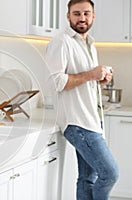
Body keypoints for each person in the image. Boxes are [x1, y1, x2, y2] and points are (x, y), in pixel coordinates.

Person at [45, 0, 119, 199]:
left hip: (92, 119)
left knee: (88, 178)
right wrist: (90, 75)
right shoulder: (61, 42)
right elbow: (55, 82)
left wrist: (99, 80)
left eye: (86, 13)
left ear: (93, 16)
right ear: (68, 16)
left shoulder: (89, 44)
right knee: (110, 174)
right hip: (78, 123)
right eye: (76, 13)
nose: (82, 18)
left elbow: (84, 78)